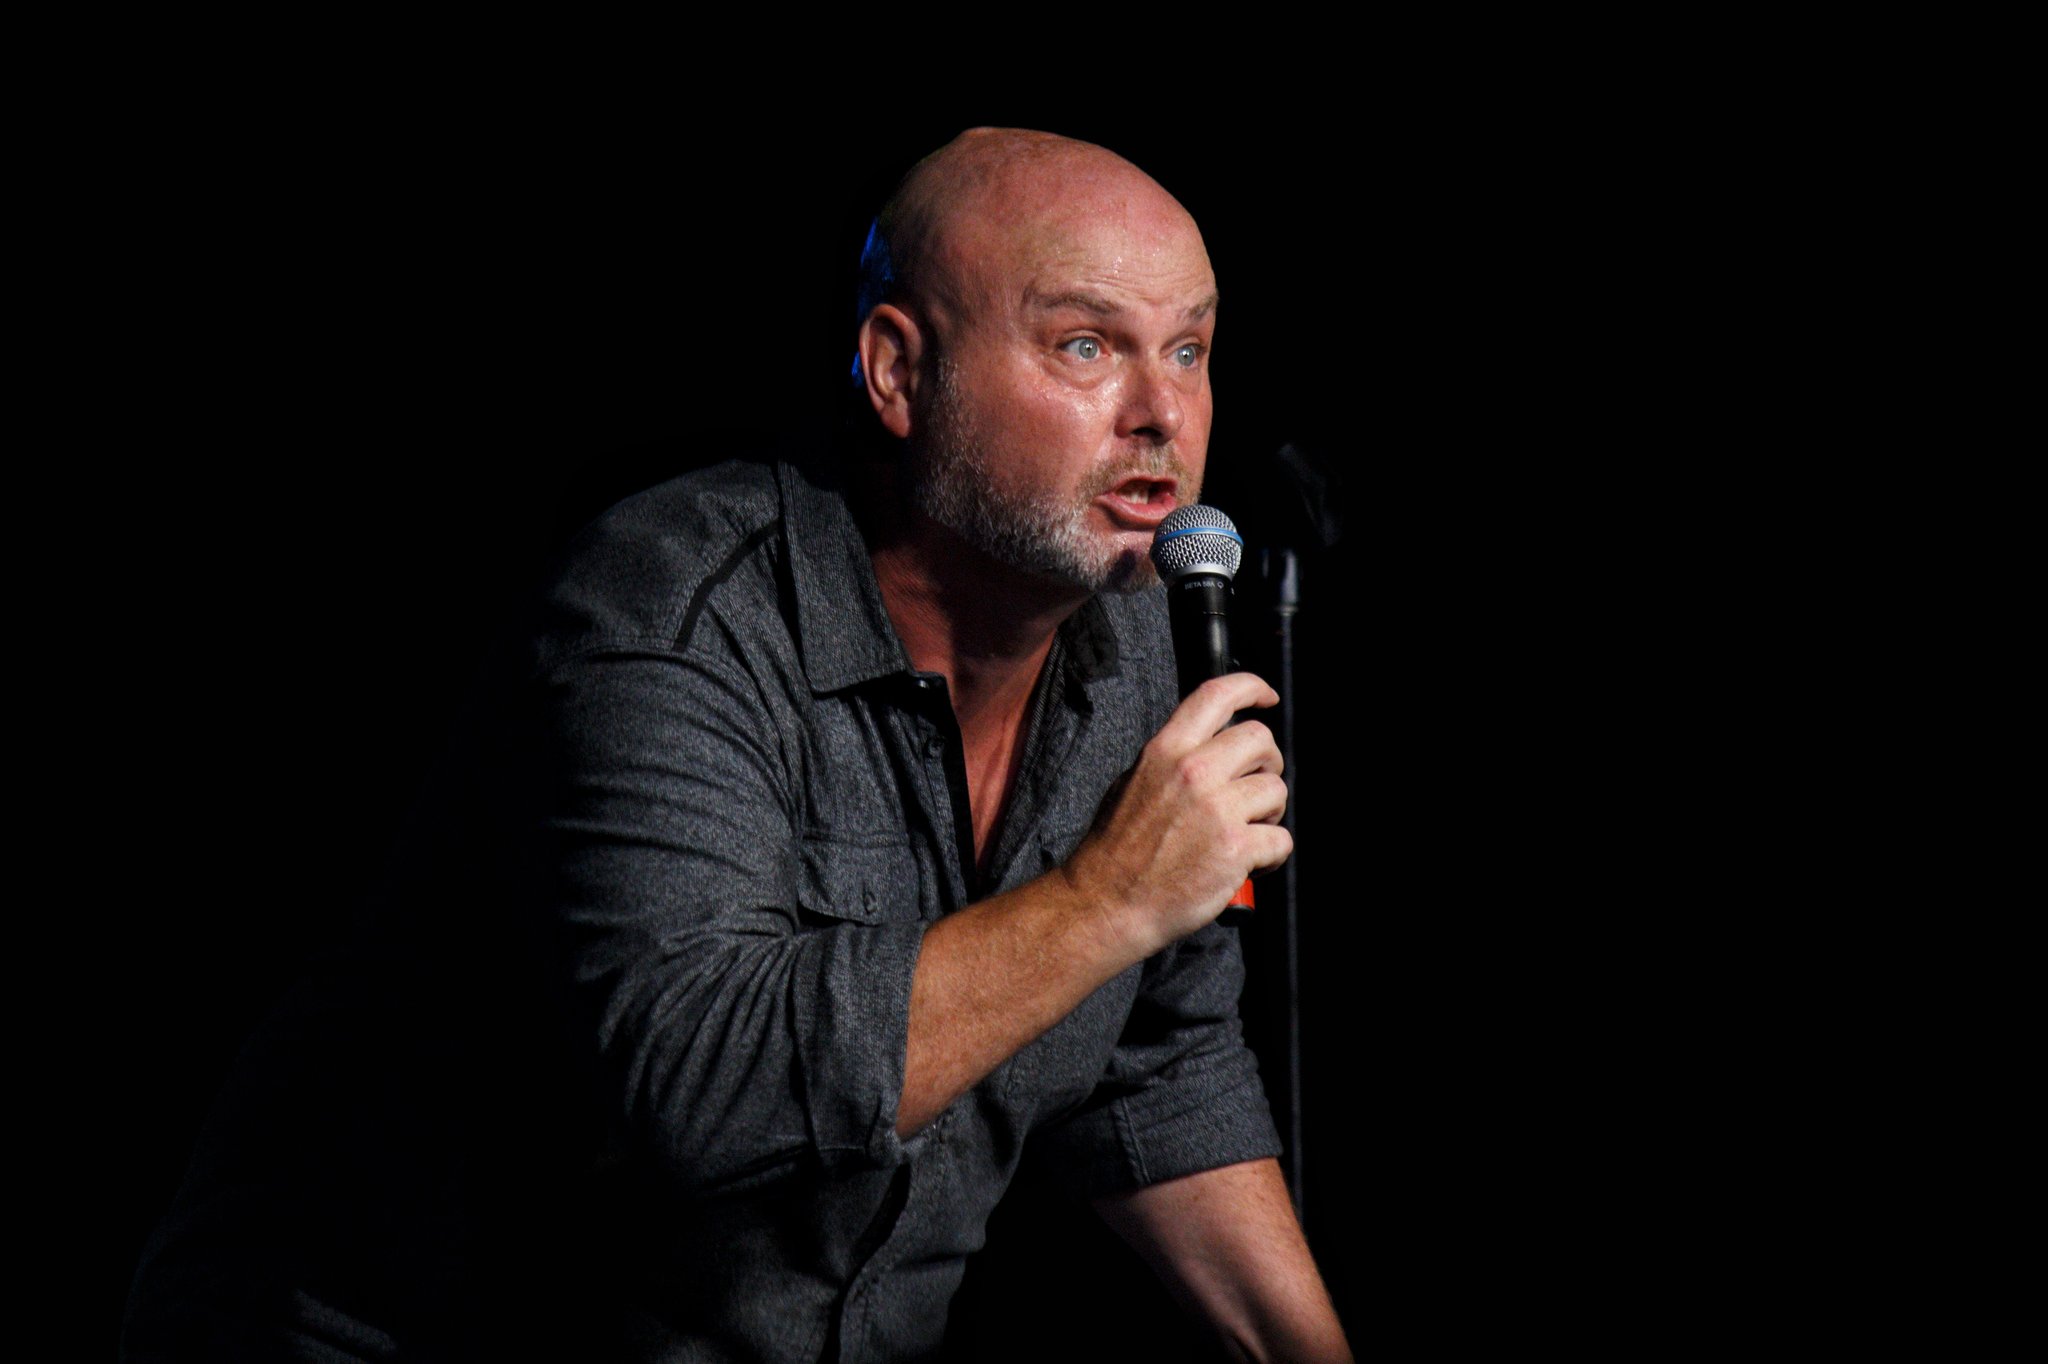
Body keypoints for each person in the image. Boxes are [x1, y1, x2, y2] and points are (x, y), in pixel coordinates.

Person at [126, 128, 1350, 1362]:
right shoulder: (670, 607)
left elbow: (1158, 1062)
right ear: (894, 370)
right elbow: (699, 1087)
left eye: (1187, 349)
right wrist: (1107, 897)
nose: (1160, 414)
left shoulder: (1137, 641)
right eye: (1085, 345)